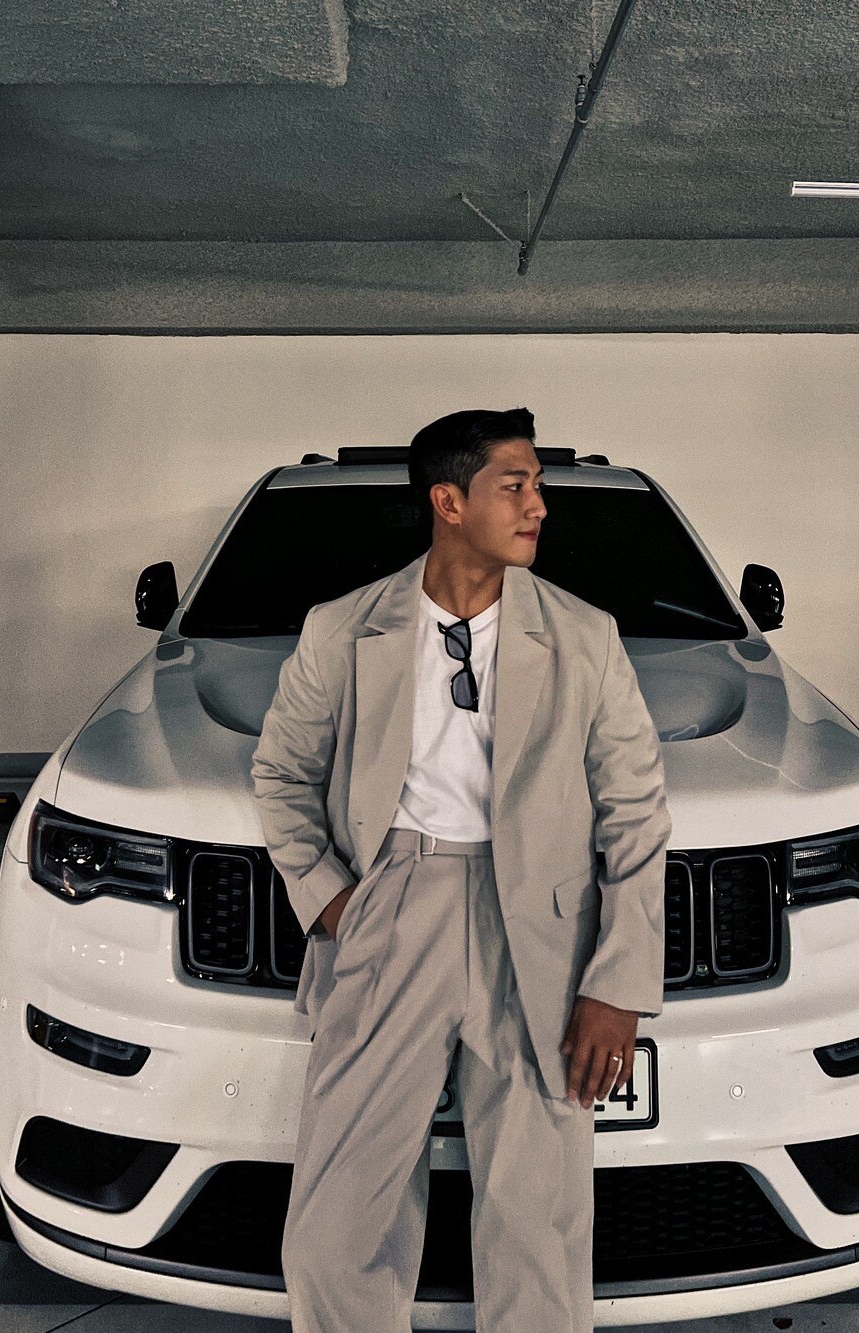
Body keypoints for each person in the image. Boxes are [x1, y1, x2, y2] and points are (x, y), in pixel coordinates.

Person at [250, 406, 672, 1333]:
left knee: (538, 1229)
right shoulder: (343, 629)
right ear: (449, 501)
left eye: (539, 486)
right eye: (515, 486)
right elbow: (280, 773)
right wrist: (332, 900)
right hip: (393, 906)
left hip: (542, 931)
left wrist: (619, 982)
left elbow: (637, 812)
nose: (538, 506)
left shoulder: (584, 636)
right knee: (335, 1227)